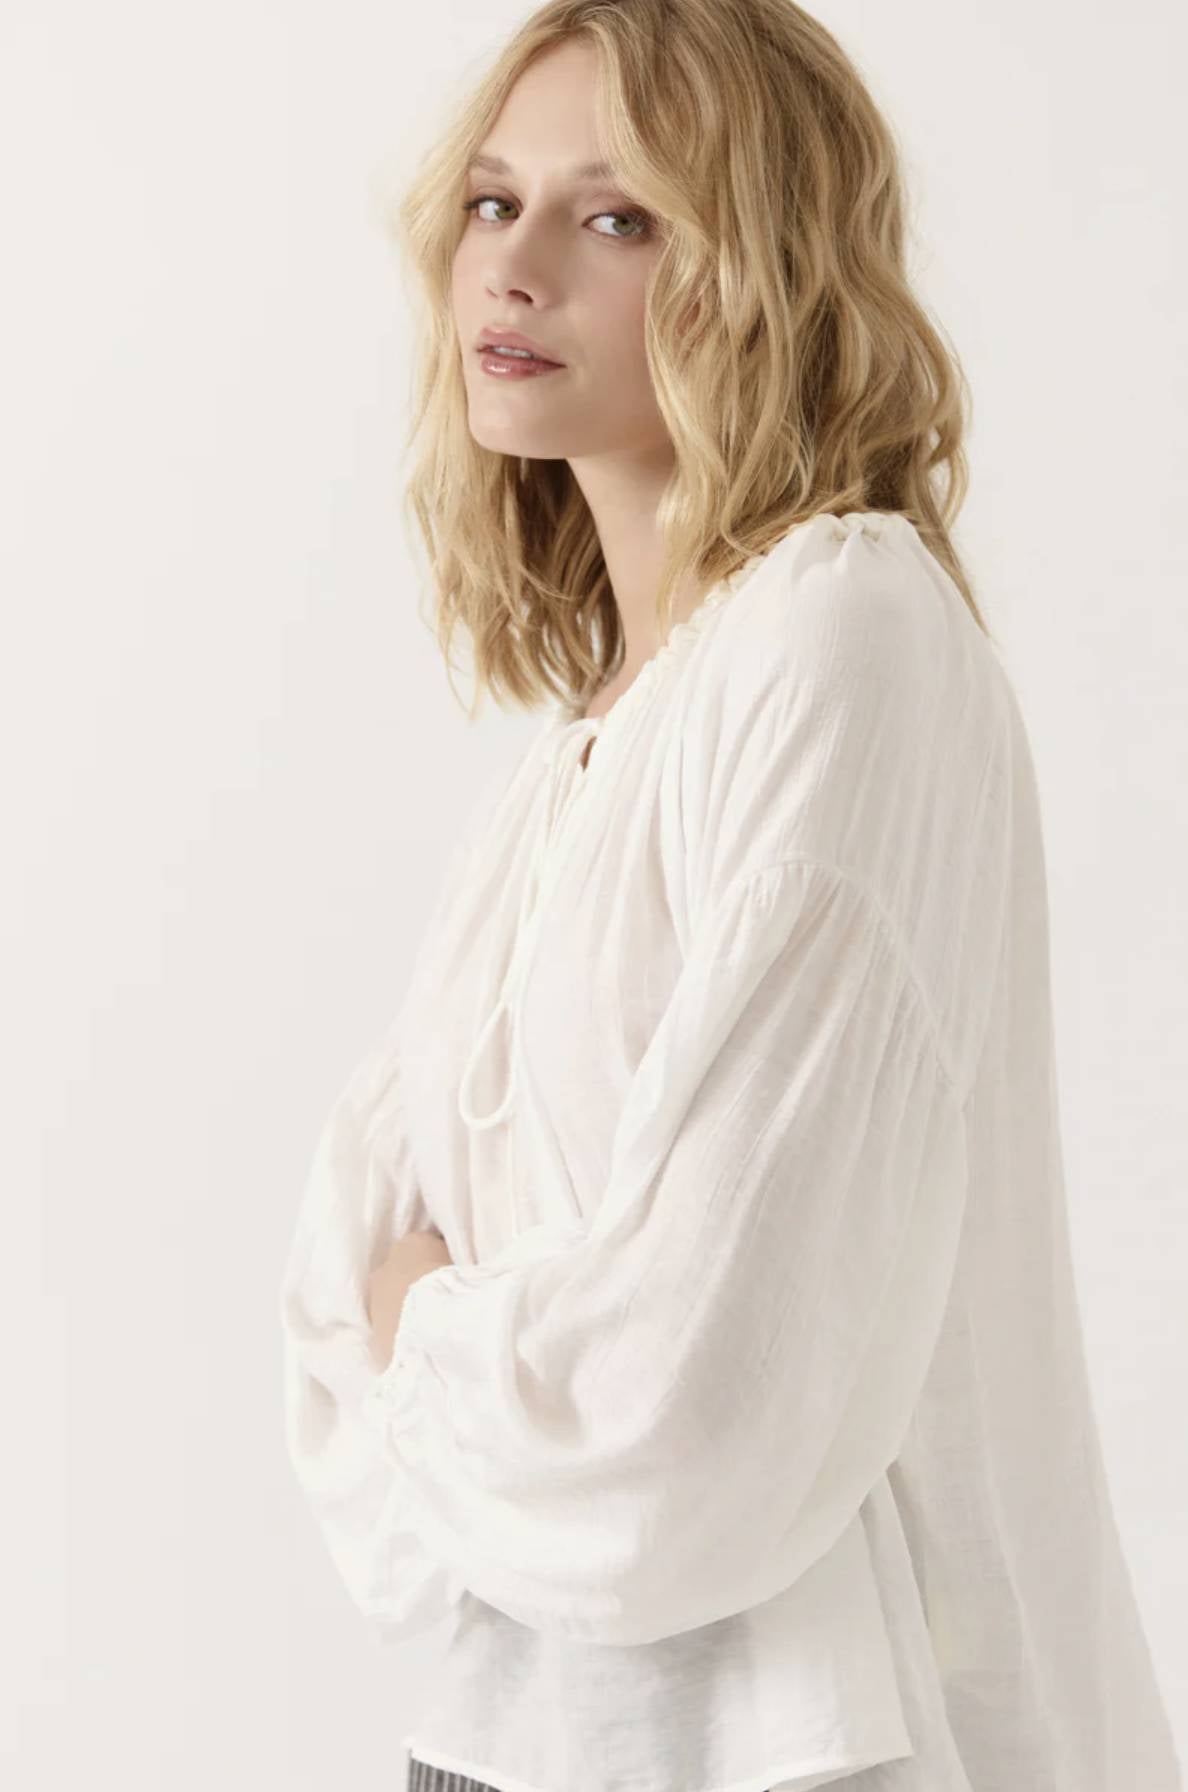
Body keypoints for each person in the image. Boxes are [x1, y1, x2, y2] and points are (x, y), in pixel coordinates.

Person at [278, 3, 1182, 1790]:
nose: (515, 266)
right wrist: (468, 1360)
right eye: (492, 202)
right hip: (498, 1740)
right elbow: (330, 1304)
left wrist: (432, 1341)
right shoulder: (581, 754)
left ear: (763, 273)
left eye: (616, 217)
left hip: (798, 1751)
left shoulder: (847, 640)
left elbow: (697, 1398)